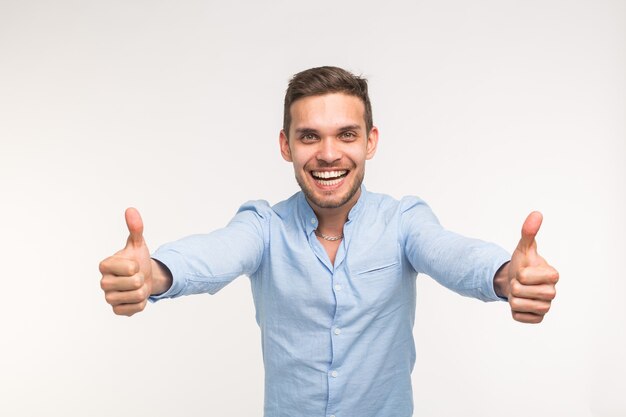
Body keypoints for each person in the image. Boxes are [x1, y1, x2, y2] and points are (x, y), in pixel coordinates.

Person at [99, 66, 559, 417]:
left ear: (370, 142)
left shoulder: (403, 221)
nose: (328, 153)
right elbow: (217, 252)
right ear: (286, 146)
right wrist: (155, 274)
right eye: (309, 137)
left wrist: (504, 277)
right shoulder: (263, 225)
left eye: (346, 134)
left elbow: (450, 252)